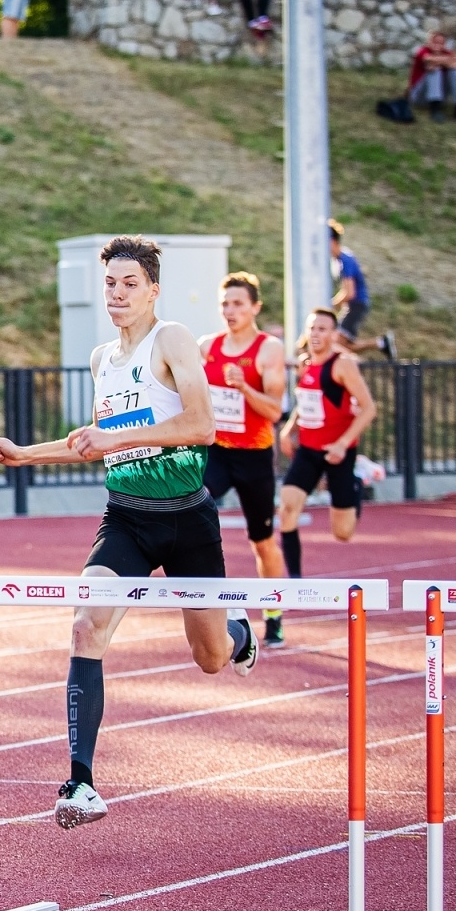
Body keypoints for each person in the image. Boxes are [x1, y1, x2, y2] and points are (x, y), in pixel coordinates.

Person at [0, 235, 259, 831]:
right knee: (85, 623)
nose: (117, 293)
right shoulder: (101, 358)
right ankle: (80, 782)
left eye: (129, 283)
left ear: (153, 289)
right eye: (110, 283)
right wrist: (23, 455)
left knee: (209, 658)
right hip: (127, 518)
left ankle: (238, 634)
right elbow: (96, 438)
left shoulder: (173, 339)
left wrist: (119, 438)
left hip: (187, 520)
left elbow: (203, 425)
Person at [199, 272, 289, 647]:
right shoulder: (207, 346)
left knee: (262, 541)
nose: (230, 311)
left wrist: (243, 386)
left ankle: (273, 615)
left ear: (255, 307)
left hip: (254, 456)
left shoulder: (269, 350)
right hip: (216, 452)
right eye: (224, 304)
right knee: (191, 509)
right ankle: (209, 604)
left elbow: (273, 410)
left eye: (237, 304)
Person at [278, 308, 378, 579]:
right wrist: (290, 428)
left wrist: (343, 444)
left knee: (343, 533)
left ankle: (356, 483)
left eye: (322, 329)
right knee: (287, 509)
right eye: (312, 328)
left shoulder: (342, 364)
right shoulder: (305, 363)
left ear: (333, 335)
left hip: (338, 453)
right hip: (309, 450)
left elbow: (369, 408)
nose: (315, 334)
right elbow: (307, 400)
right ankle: (295, 580)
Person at [329, 219, 394, 361]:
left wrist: (331, 305)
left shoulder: (344, 260)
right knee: (344, 346)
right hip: (355, 305)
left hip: (356, 305)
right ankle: (381, 343)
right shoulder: (342, 258)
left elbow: (349, 292)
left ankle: (359, 364)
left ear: (331, 241)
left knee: (336, 345)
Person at [408, 31, 456, 124]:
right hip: (419, 96)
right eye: (435, 42)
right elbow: (428, 59)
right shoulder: (423, 50)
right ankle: (435, 109)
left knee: (455, 71)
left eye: (441, 43)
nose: (437, 45)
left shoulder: (446, 52)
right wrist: (449, 60)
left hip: (442, 98)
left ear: (444, 45)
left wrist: (447, 62)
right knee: (434, 69)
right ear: (430, 42)